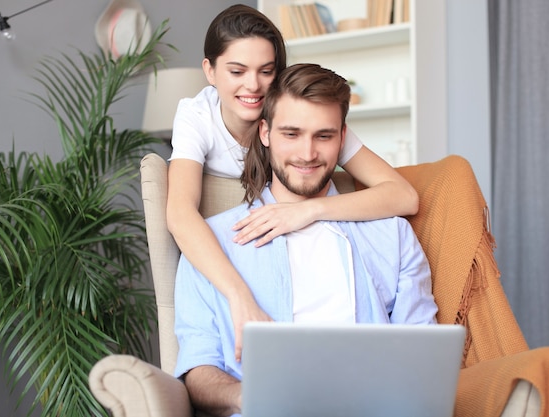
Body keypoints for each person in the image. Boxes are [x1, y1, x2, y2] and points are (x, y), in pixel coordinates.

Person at [173, 63, 437, 417]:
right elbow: (198, 369)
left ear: (343, 139)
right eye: (291, 134)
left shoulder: (392, 235)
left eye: (323, 136)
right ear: (264, 133)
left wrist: (310, 211)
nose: (308, 154)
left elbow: (423, 354)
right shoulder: (212, 243)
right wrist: (244, 395)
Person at [167, 4, 419, 362]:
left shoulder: (305, 120)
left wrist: (308, 211)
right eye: (236, 71)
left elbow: (403, 196)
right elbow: (179, 213)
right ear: (209, 71)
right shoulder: (198, 117)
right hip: (245, 242)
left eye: (266, 71)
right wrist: (239, 296)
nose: (252, 85)